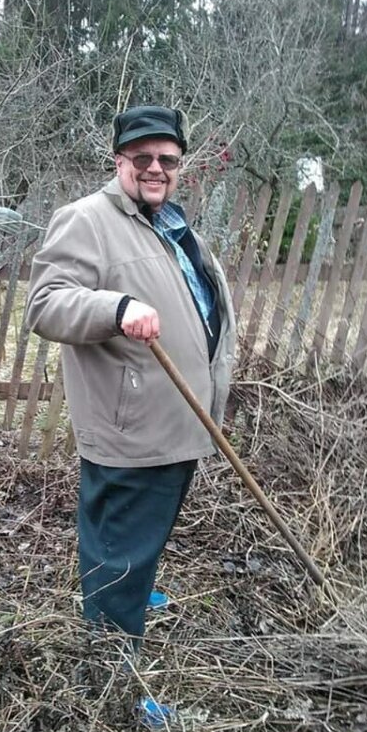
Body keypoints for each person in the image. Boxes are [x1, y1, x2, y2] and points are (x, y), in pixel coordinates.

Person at [25, 104, 237, 664]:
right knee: (118, 555)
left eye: (167, 158)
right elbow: (45, 304)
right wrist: (115, 308)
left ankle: (127, 602)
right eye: (141, 157)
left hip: (177, 425)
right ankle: (111, 677)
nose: (155, 168)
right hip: (133, 434)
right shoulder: (88, 219)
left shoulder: (168, 222)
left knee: (139, 547)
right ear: (119, 160)